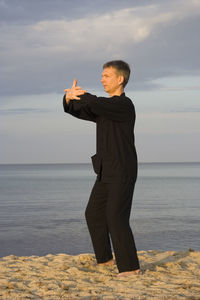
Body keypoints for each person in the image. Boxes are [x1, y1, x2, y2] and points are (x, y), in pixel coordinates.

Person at [63, 60, 140, 276]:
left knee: (116, 217)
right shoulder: (104, 109)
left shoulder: (124, 106)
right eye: (102, 75)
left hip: (123, 171)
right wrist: (69, 99)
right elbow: (80, 110)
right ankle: (105, 260)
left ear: (120, 79)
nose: (102, 79)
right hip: (105, 171)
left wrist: (83, 94)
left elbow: (95, 103)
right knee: (94, 214)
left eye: (106, 76)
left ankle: (130, 268)